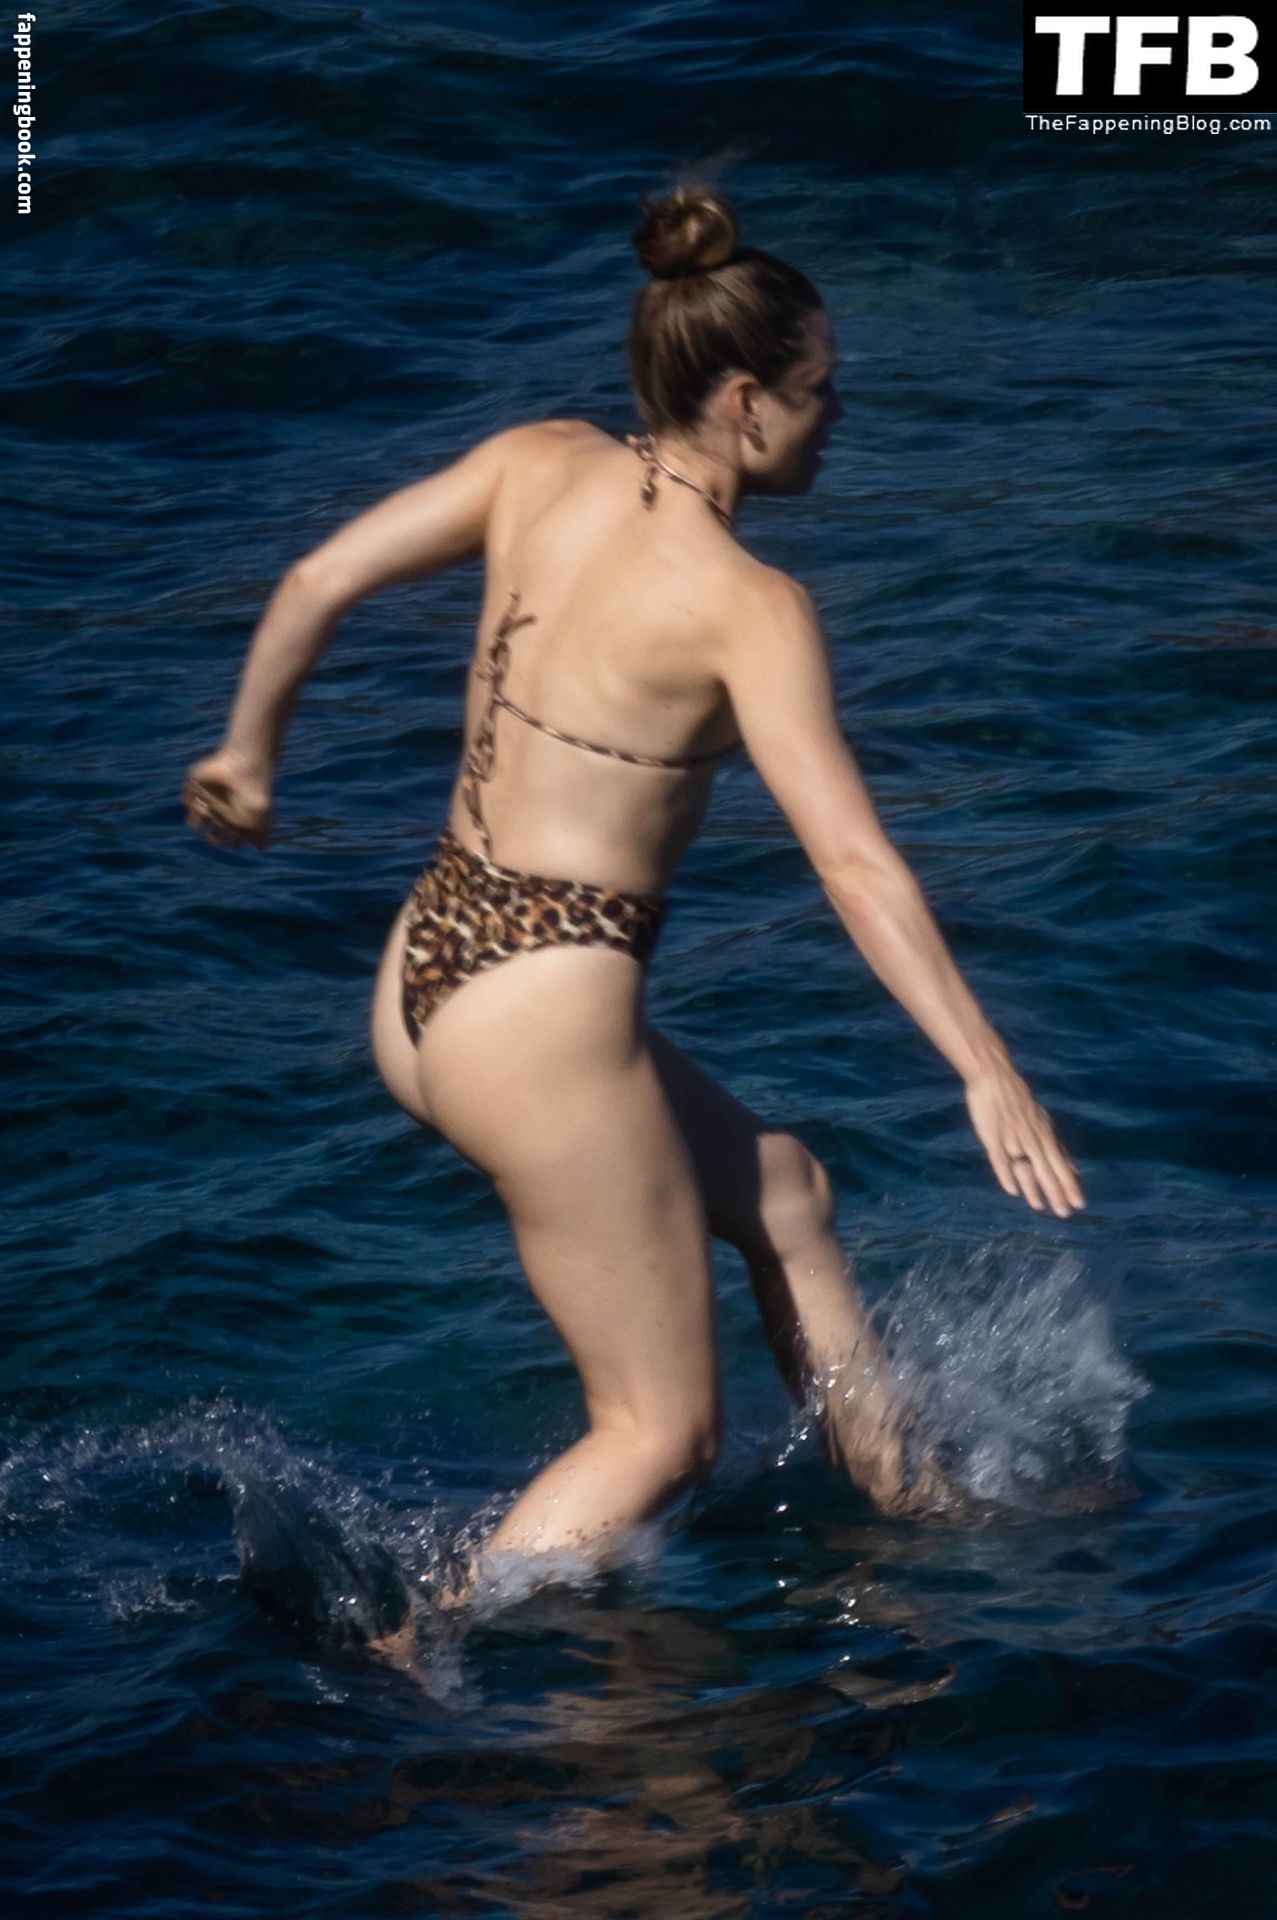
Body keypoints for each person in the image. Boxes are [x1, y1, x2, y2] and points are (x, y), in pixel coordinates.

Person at [183, 185, 1085, 1622]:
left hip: (427, 962)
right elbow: (854, 864)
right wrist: (984, 1067)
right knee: (661, 1434)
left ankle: (906, 1508)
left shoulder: (537, 461)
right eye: (819, 389)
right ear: (743, 401)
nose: (837, 414)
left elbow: (319, 573)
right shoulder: (749, 605)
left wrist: (247, 755)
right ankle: (421, 1661)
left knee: (785, 1195)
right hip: (542, 1015)